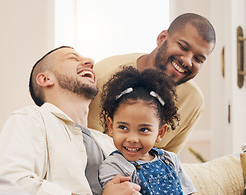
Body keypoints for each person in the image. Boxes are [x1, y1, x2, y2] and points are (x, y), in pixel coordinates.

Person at [0, 46, 246, 195]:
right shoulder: (31, 120)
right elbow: (9, 186)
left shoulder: (109, 142)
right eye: (72, 57)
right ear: (45, 78)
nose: (88, 61)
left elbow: (169, 194)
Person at [88, 12, 215, 155]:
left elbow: (169, 160)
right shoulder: (105, 74)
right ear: (162, 38)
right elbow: (88, 144)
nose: (187, 60)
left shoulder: (193, 100)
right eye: (183, 47)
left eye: (198, 59)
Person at [98, 66, 200, 195]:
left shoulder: (170, 160)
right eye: (123, 127)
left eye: (144, 130)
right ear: (110, 127)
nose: (132, 138)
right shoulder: (115, 167)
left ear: (160, 132)